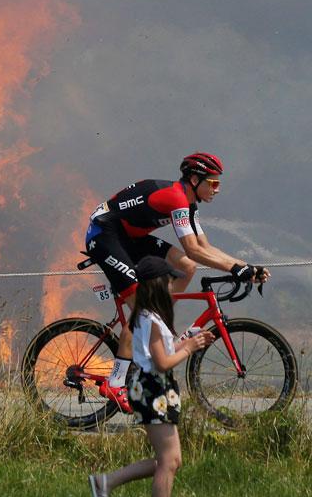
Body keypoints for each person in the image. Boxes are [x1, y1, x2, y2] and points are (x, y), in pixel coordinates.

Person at [83, 152, 269, 411]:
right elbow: (193, 248)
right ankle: (114, 384)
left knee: (186, 267)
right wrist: (237, 268)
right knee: (143, 313)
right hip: (105, 234)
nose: (217, 189)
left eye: (219, 184)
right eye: (213, 183)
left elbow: (203, 248)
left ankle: (159, 324)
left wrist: (245, 267)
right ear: (195, 179)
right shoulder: (176, 198)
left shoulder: (189, 202)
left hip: (129, 237)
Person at [89, 256, 214, 497]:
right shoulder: (151, 321)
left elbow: (165, 352)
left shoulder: (149, 317)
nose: (172, 287)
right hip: (152, 391)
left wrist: (192, 341)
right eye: (169, 282)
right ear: (157, 285)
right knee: (168, 461)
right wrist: (189, 349)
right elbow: (162, 363)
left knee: (171, 460)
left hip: (155, 391)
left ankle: (106, 482)